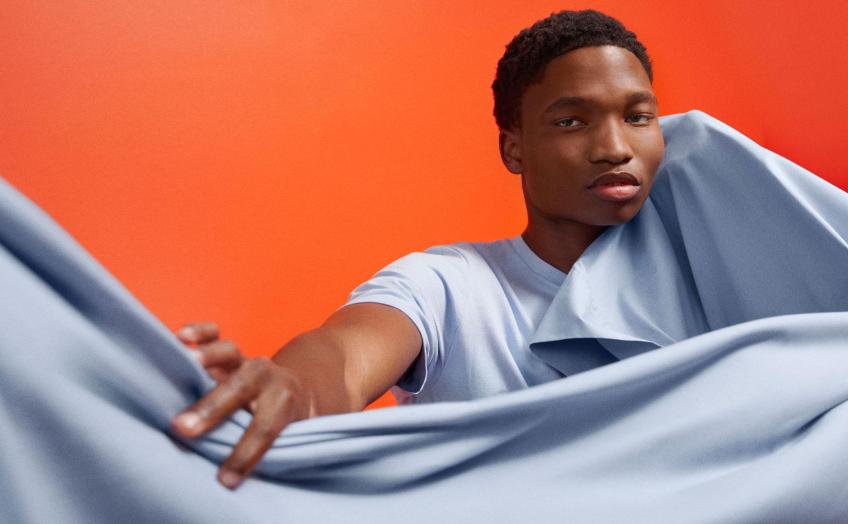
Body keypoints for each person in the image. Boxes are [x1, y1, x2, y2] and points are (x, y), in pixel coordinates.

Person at [171, 9, 665, 490]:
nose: (614, 147)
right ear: (514, 149)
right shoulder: (448, 285)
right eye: (571, 122)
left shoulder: (701, 283)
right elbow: (345, 356)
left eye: (638, 116)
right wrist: (293, 387)